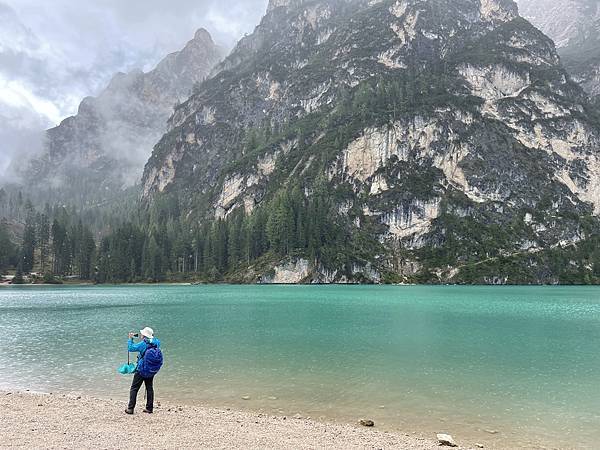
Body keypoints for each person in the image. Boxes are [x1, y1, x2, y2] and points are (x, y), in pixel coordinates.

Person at [125, 327, 161, 415]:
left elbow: (131, 348)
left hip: (141, 369)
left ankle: (130, 408)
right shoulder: (156, 342)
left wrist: (130, 339)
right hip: (151, 369)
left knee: (134, 388)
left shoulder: (143, 344)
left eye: (142, 334)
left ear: (144, 335)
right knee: (149, 388)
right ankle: (149, 408)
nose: (141, 335)